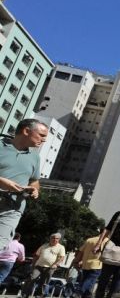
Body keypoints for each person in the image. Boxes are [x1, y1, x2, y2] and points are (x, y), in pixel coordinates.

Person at [0, 119, 46, 251]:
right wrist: (2, 181)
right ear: (26, 131)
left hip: (13, 207)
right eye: (41, 135)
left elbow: (34, 181)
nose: (44, 140)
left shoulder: (35, 157)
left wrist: (35, 190)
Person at [23, 233, 66, 298]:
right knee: (31, 278)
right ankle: (25, 295)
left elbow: (61, 257)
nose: (55, 239)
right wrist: (33, 264)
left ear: (59, 239)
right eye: (53, 238)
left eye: (57, 238)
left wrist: (56, 264)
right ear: (50, 238)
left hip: (50, 268)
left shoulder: (61, 247)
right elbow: (36, 255)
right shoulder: (44, 245)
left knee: (44, 283)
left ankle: (39, 295)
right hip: (39, 266)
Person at [72, 229, 103, 298]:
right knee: (90, 280)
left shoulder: (90, 240)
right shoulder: (106, 241)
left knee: (87, 283)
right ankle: (78, 292)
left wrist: (76, 261)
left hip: (85, 264)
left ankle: (86, 295)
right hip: (97, 265)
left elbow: (80, 251)